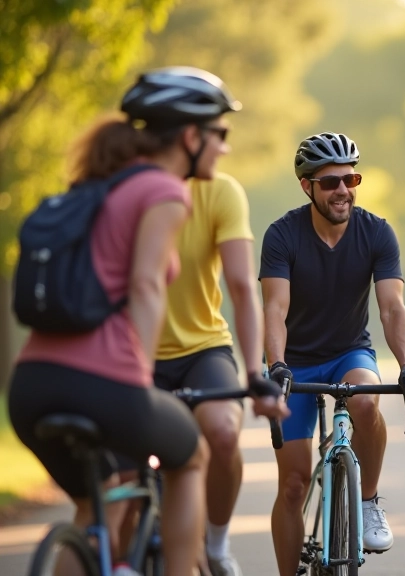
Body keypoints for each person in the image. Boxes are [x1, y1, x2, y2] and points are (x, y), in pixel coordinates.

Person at [7, 67, 282, 576]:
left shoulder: (97, 186)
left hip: (30, 387)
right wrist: (136, 381)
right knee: (192, 457)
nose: (224, 147)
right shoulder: (164, 191)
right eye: (219, 133)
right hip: (102, 382)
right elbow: (147, 285)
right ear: (190, 136)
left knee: (101, 502)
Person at [261, 131, 405, 576]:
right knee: (294, 484)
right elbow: (274, 309)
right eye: (331, 181)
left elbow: (392, 307)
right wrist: (276, 365)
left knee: (367, 401)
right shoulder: (282, 235)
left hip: (349, 352)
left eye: (351, 179)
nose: (343, 190)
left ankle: (368, 498)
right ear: (307, 186)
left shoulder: (376, 232)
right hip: (292, 361)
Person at [146, 170, 289, 576]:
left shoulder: (220, 191)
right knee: (125, 462)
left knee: (224, 432)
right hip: (135, 351)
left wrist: (251, 373)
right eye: (215, 133)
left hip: (202, 348)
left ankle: (216, 542)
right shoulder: (127, 187)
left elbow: (243, 287)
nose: (222, 145)